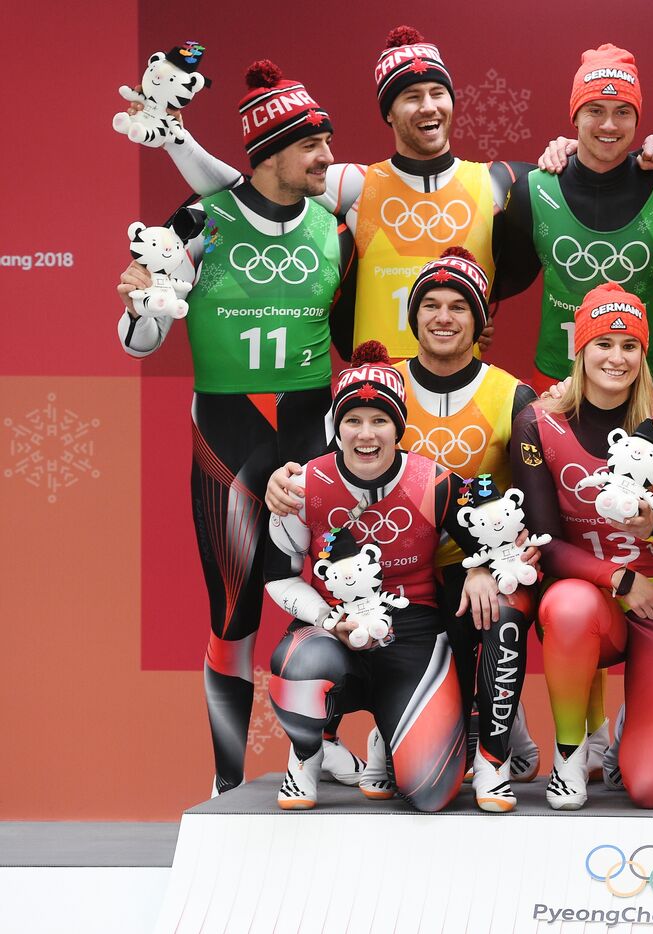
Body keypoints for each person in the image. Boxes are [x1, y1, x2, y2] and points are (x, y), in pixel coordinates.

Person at [117, 61, 356, 796]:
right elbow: (138, 342)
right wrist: (146, 306)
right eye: (312, 146)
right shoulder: (197, 219)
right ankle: (225, 781)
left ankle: (320, 748)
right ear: (271, 152)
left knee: (333, 595)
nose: (327, 158)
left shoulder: (338, 226)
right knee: (236, 609)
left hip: (313, 429)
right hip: (227, 427)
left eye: (327, 143)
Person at [264, 247, 541, 809]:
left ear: (480, 319)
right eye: (430, 305)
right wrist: (280, 487)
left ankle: (481, 745)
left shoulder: (511, 395)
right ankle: (319, 751)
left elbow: (523, 498)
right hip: (357, 600)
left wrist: (490, 564)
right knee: (303, 659)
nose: (443, 317)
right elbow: (324, 482)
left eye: (458, 306)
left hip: (449, 587)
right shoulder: (377, 382)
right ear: (412, 316)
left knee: (433, 788)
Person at [159, 27, 537, 357]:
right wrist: (179, 142)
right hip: (375, 402)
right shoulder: (357, 184)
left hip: (460, 387)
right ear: (388, 112)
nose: (428, 107)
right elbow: (252, 191)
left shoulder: (496, 181)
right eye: (411, 97)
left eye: (438, 92)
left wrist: (566, 148)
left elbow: (580, 189)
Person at [510, 283, 653, 810]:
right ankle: (570, 757)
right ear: (579, 349)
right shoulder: (538, 420)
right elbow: (545, 544)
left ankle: (636, 719)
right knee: (567, 605)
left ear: (645, 355)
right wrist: (620, 577)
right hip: (599, 596)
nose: (616, 358)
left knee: (649, 786)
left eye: (630, 346)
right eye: (603, 343)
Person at [499, 43, 653, 391]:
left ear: (638, 118)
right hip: (556, 380)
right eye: (595, 109)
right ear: (574, 116)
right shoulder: (532, 192)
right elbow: (499, 280)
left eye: (623, 111)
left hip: (641, 386)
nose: (609, 124)